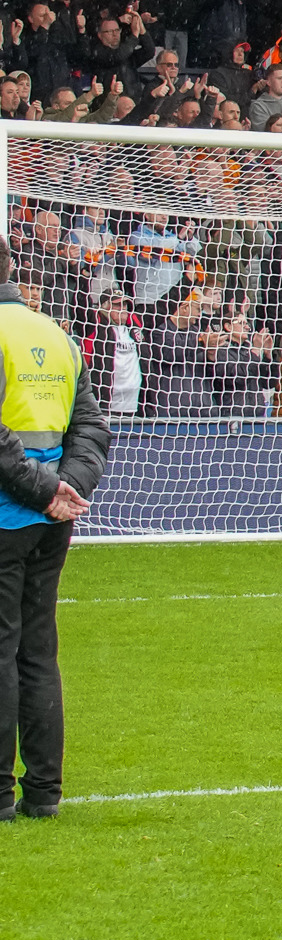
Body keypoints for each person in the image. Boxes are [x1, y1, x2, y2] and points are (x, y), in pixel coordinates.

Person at [0, 241, 101, 823]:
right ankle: (44, 791)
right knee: (38, 650)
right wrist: (69, 485)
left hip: (9, 510)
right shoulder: (53, 333)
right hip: (49, 519)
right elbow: (90, 422)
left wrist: (46, 488)